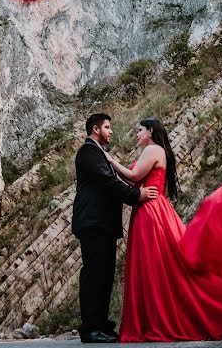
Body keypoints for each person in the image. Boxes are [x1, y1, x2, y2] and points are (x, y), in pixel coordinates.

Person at [105, 118, 222, 342]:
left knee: (155, 265)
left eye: (140, 130)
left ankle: (158, 320)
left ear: (150, 131)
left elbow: (133, 176)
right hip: (154, 208)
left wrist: (111, 160)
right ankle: (162, 317)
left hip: (150, 212)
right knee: (163, 265)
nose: (137, 135)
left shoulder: (153, 149)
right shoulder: (157, 150)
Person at [72, 113, 158, 343]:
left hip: (103, 224)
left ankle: (101, 325)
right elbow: (108, 183)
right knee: (95, 275)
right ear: (95, 129)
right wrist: (136, 194)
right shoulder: (88, 152)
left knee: (105, 275)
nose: (111, 131)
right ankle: (90, 328)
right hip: (93, 223)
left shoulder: (98, 153)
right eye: (107, 127)